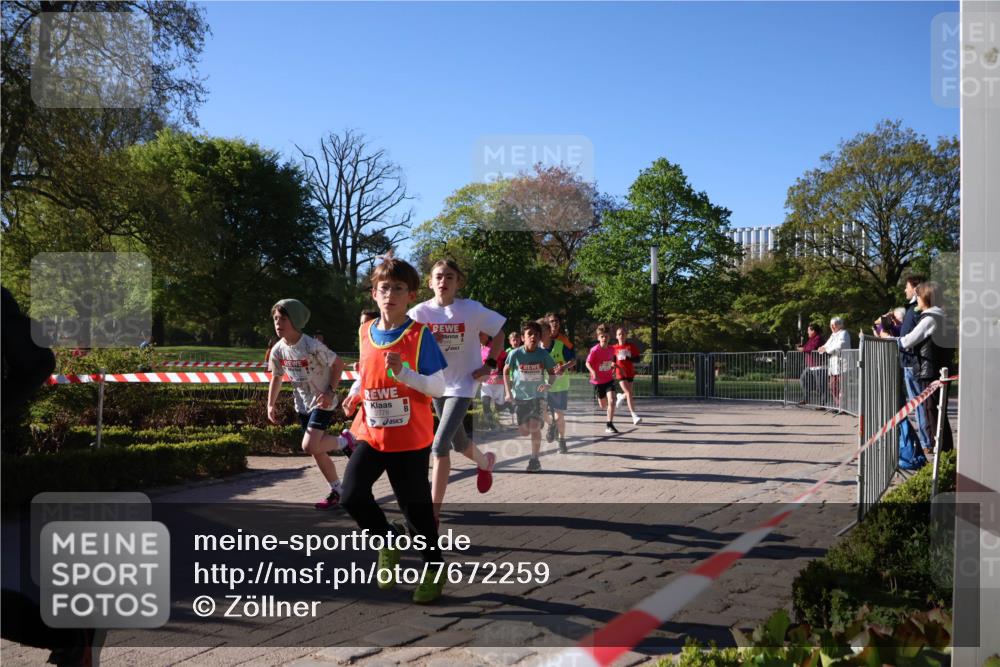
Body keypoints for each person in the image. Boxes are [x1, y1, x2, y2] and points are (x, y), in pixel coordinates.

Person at [340, 256, 449, 604]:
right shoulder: (364, 330)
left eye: (398, 288)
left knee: (414, 511)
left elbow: (438, 387)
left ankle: (433, 567)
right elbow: (366, 372)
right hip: (372, 433)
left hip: (409, 438)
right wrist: (355, 393)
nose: (390, 294)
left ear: (411, 295)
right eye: (384, 288)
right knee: (351, 496)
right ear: (374, 293)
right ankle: (388, 539)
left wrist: (403, 373)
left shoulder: (419, 336)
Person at [407, 259, 505, 522]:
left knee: (439, 445)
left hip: (464, 383)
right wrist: (427, 341)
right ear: (430, 282)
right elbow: (407, 345)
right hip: (437, 383)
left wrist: (490, 365)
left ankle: (433, 513)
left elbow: (499, 333)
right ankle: (486, 462)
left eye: (449, 276)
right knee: (458, 442)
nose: (443, 281)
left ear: (457, 282)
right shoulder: (419, 313)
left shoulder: (471, 309)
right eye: (438, 276)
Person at [266, 299, 352, 510]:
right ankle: (338, 491)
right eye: (276, 319)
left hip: (323, 401)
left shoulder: (311, 345)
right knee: (317, 450)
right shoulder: (278, 350)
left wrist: (330, 392)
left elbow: (338, 364)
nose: (278, 323)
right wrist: (270, 404)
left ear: (295, 320)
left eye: (283, 318)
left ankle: (346, 441)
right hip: (302, 405)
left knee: (309, 445)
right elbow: (277, 377)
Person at [884, 281, 954, 455]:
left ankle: (941, 454)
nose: (916, 299)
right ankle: (945, 453)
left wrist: (887, 338)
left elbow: (907, 341)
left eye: (919, 296)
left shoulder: (930, 318)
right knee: (938, 414)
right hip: (938, 370)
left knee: (933, 415)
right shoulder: (943, 316)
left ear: (926, 297)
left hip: (929, 372)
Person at [504, 320, 558, 472]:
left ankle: (534, 460)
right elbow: (505, 371)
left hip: (538, 395)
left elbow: (552, 373)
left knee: (534, 427)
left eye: (536, 334)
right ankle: (552, 424)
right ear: (523, 337)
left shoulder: (543, 355)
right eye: (530, 334)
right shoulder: (515, 354)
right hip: (520, 397)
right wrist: (508, 392)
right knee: (524, 431)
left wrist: (549, 384)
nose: (533, 337)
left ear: (540, 337)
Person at [586, 324, 619, 434]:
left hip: (609, 379)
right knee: (603, 405)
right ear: (598, 338)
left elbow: (612, 361)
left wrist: (613, 368)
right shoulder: (595, 350)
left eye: (606, 336)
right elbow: (587, 363)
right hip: (598, 381)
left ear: (609, 338)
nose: (604, 338)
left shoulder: (611, 349)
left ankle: (609, 424)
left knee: (612, 401)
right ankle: (604, 400)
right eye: (602, 336)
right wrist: (593, 371)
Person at [818, 317, 851, 410]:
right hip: (834, 365)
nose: (832, 326)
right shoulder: (833, 335)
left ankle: (843, 407)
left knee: (842, 387)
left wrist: (827, 349)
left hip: (843, 364)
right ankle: (838, 405)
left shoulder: (844, 333)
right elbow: (827, 345)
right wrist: (822, 348)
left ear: (839, 325)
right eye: (831, 324)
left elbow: (840, 345)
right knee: (832, 386)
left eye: (834, 324)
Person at [612, 325, 642, 425]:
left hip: (630, 372)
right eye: (619, 334)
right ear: (616, 336)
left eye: (623, 334)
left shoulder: (631, 346)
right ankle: (634, 416)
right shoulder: (614, 348)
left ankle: (620, 397)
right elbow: (613, 361)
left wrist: (628, 358)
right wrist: (612, 368)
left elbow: (638, 359)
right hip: (620, 373)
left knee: (628, 393)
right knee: (629, 393)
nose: (621, 336)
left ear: (626, 336)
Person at [479, 334, 507, 431]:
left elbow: (505, 360)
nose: (479, 335)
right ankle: (493, 427)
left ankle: (512, 404)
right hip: (486, 383)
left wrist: (499, 374)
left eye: (481, 333)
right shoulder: (478, 348)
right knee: (485, 404)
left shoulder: (494, 346)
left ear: (487, 334)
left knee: (500, 407)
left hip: (497, 382)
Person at [795, 323, 825, 404]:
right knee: (803, 379)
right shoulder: (811, 338)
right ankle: (806, 399)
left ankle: (822, 404)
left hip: (818, 366)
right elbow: (807, 346)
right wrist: (801, 347)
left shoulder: (818, 338)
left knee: (820, 385)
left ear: (813, 331)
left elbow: (812, 348)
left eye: (808, 330)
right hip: (810, 366)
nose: (807, 332)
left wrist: (803, 349)